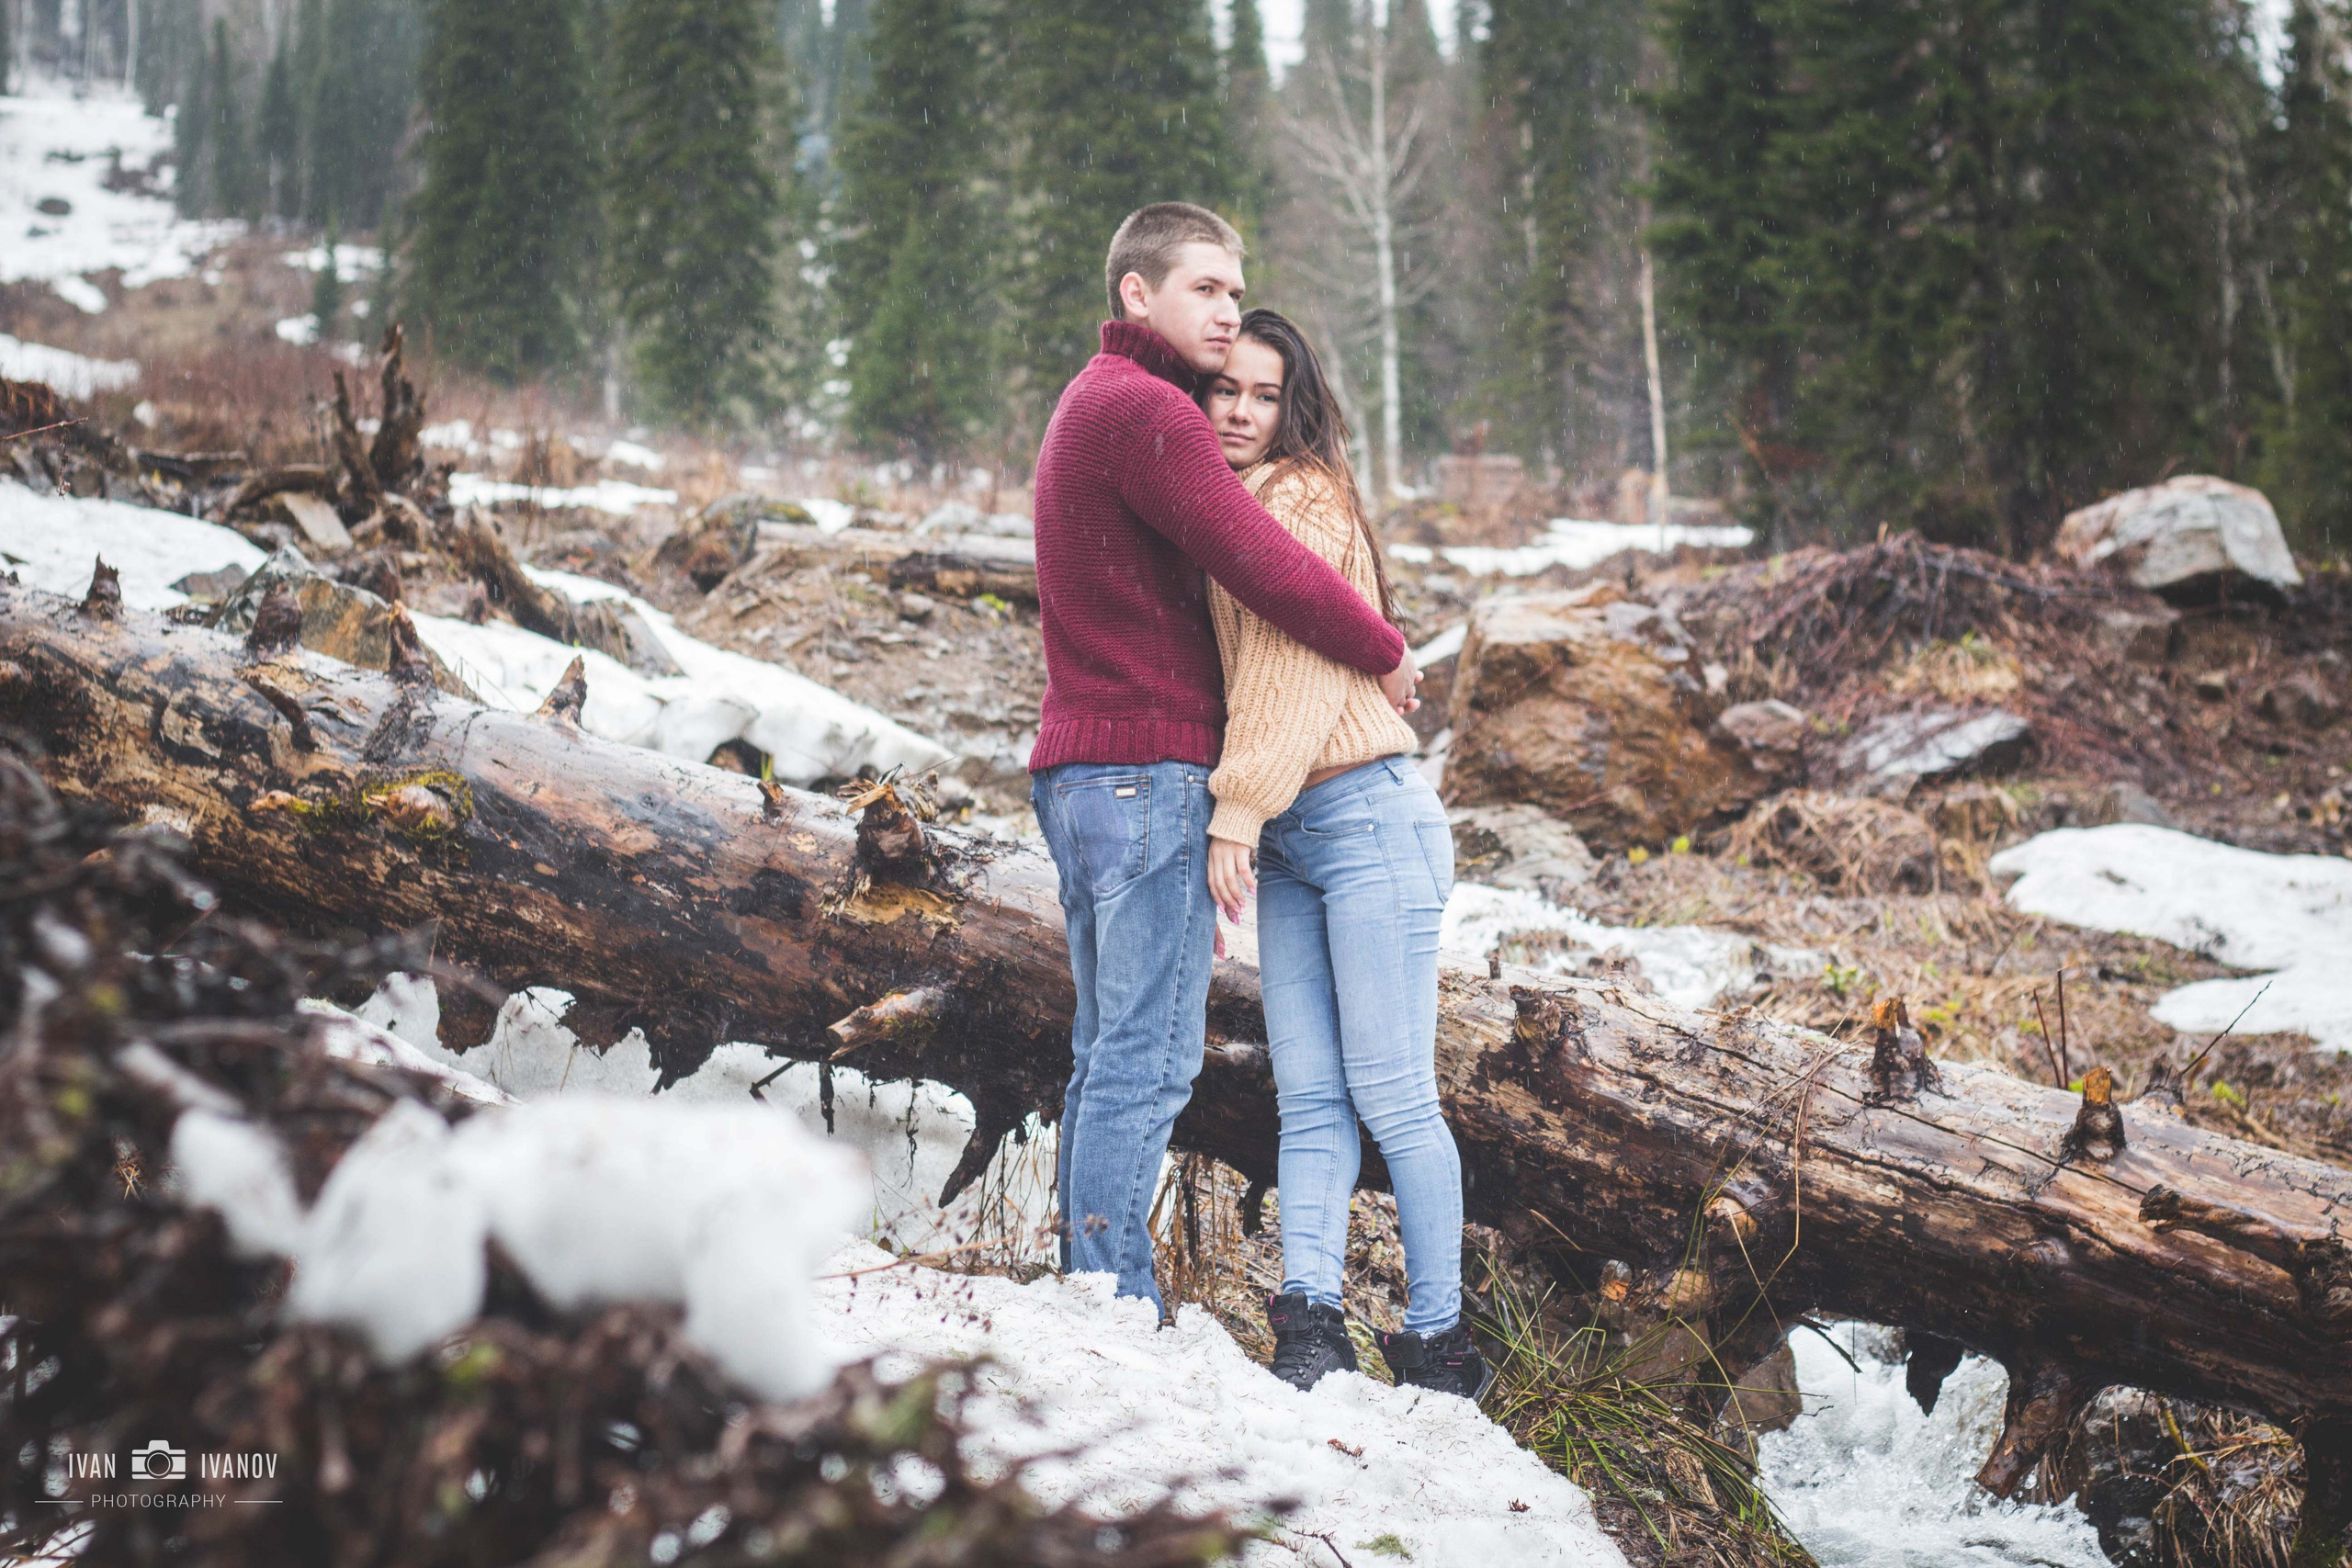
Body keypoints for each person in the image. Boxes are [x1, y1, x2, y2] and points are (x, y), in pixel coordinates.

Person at [1028, 203, 1420, 1319]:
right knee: (1146, 1064)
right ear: (1136, 296)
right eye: (1204, 286)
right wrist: (1384, 650)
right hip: (1145, 773)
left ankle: (1085, 1293)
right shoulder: (1148, 412)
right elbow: (1267, 566)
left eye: (1234, 288)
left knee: (1106, 1053)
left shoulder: (1088, 401)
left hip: (1085, 771)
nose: (1228, 307)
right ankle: (1109, 1305)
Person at [1199, 309, 1489, 1403]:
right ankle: (1309, 1314)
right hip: (1299, 839)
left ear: (1295, 407)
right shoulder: (1225, 503)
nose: (1239, 410)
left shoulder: (1300, 496)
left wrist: (1236, 807)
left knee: (1391, 1095)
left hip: (1367, 818)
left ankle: (1438, 1338)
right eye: (1226, 387)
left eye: (1265, 395)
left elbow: (1290, 670)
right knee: (1309, 1099)